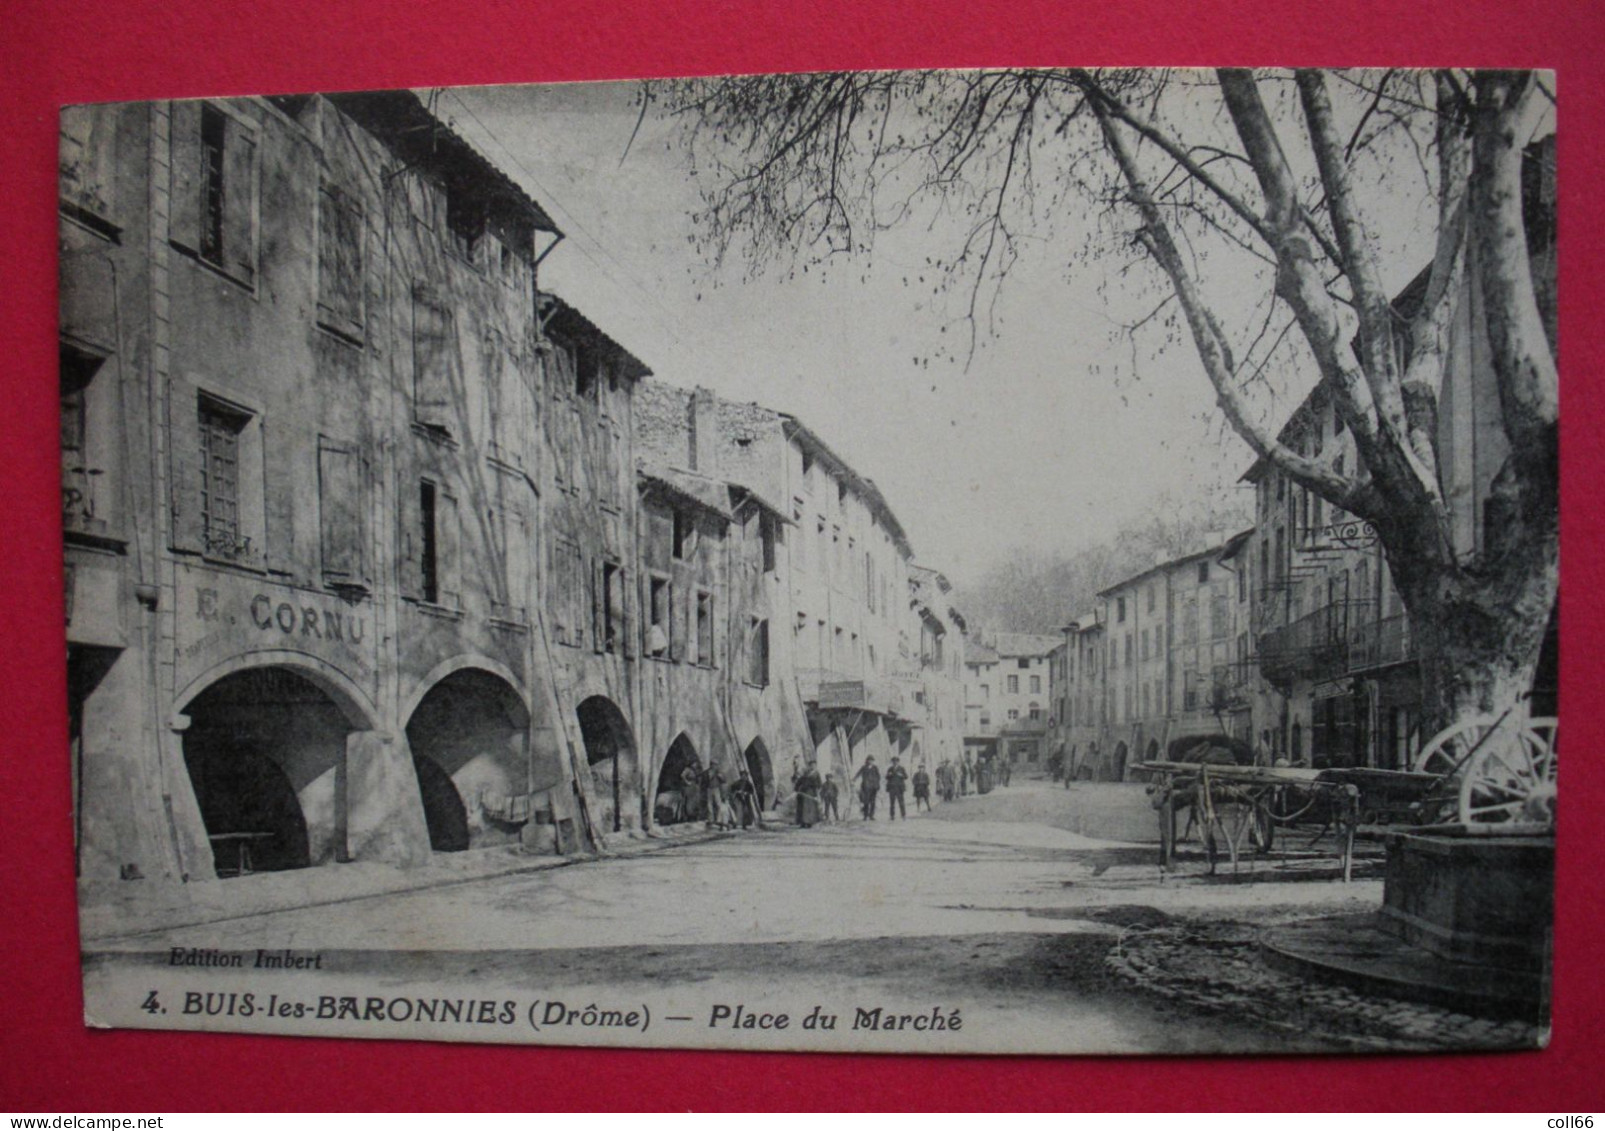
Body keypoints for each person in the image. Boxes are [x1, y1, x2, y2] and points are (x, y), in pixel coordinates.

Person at [854, 755, 881, 820]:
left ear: (873, 761)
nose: (870, 761)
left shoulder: (875, 768)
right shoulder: (864, 767)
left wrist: (876, 784)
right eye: (869, 760)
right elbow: (858, 773)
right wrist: (854, 779)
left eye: (871, 760)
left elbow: (878, 776)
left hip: (873, 787)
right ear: (867, 761)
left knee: (872, 802)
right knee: (866, 802)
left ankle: (871, 815)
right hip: (865, 787)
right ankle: (865, 815)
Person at [795, 761, 822, 827]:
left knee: (810, 808)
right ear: (809, 766)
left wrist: (816, 788)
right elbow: (800, 780)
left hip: (811, 792)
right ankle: (803, 822)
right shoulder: (806, 773)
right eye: (811, 765)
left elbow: (819, 784)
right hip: (804, 792)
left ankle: (810, 823)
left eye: (814, 765)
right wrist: (797, 787)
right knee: (803, 807)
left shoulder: (816, 774)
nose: (812, 766)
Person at [885, 756, 908, 821]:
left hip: (899, 788)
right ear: (892, 762)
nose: (895, 762)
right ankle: (892, 816)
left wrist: (901, 775)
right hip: (892, 788)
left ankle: (903, 815)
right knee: (892, 803)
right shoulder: (890, 769)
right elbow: (886, 777)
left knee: (901, 802)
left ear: (898, 762)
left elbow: (906, 776)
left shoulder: (901, 768)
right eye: (893, 761)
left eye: (896, 761)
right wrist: (889, 775)